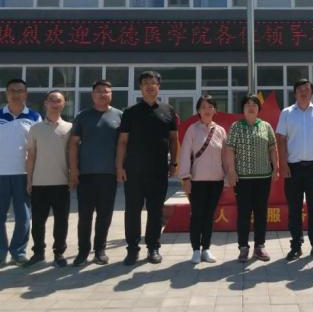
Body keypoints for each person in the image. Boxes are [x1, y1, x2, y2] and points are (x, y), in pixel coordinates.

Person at [116, 71, 179, 266]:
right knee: (132, 210)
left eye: (153, 83)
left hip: (158, 170)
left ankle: (153, 247)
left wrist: (174, 163)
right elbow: (123, 141)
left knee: (155, 210)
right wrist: (119, 166)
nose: (150, 86)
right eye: (146, 83)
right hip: (134, 170)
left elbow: (174, 140)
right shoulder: (130, 112)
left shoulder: (168, 111)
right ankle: (132, 249)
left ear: (159, 86)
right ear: (140, 88)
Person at [0, 78, 42, 268]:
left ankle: (18, 252)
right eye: (12, 91)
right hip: (0, 173)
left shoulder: (34, 117)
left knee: (23, 216)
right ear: (6, 94)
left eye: (20, 90)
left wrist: (34, 174)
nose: (16, 94)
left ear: (26, 94)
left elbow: (37, 147)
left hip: (24, 174)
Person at [277, 79, 313, 261]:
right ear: (294, 93)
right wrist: (283, 164)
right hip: (292, 168)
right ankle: (295, 246)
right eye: (300, 89)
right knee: (294, 210)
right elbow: (281, 140)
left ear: (312, 92)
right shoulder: (286, 113)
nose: (303, 92)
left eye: (307, 89)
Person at [69, 80, 123, 266]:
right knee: (85, 215)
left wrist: (120, 168)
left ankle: (100, 250)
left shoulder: (119, 116)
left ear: (111, 94)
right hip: (86, 174)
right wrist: (74, 169)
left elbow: (123, 145)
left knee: (105, 215)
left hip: (109, 174)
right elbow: (73, 144)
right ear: (92, 95)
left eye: (106, 91)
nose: (103, 94)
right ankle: (83, 251)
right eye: (99, 91)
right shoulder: (83, 116)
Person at [224, 95, 279, 263]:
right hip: (242, 178)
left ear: (258, 108)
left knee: (261, 213)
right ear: (242, 108)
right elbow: (230, 150)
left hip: (263, 177)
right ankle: (243, 247)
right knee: (244, 213)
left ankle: (259, 246)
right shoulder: (236, 126)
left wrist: (276, 169)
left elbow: (273, 148)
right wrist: (231, 171)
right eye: (247, 104)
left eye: (254, 104)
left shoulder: (266, 126)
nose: (251, 107)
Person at [178, 95, 228, 265]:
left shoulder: (220, 131)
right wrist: (185, 177)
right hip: (197, 181)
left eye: (210, 107)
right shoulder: (192, 130)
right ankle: (195, 250)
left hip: (216, 181)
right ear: (198, 110)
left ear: (215, 110)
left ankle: (206, 248)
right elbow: (185, 154)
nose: (207, 110)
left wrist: (227, 177)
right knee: (197, 215)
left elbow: (225, 156)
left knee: (209, 216)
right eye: (203, 107)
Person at [25, 90, 73, 267]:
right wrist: (29, 180)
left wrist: (72, 177)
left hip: (61, 183)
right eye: (51, 100)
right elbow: (31, 155)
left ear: (63, 104)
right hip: (39, 183)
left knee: (61, 221)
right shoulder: (35, 128)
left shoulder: (69, 128)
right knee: (38, 221)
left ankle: (59, 253)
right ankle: (38, 252)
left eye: (59, 101)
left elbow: (72, 156)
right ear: (45, 103)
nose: (55, 103)